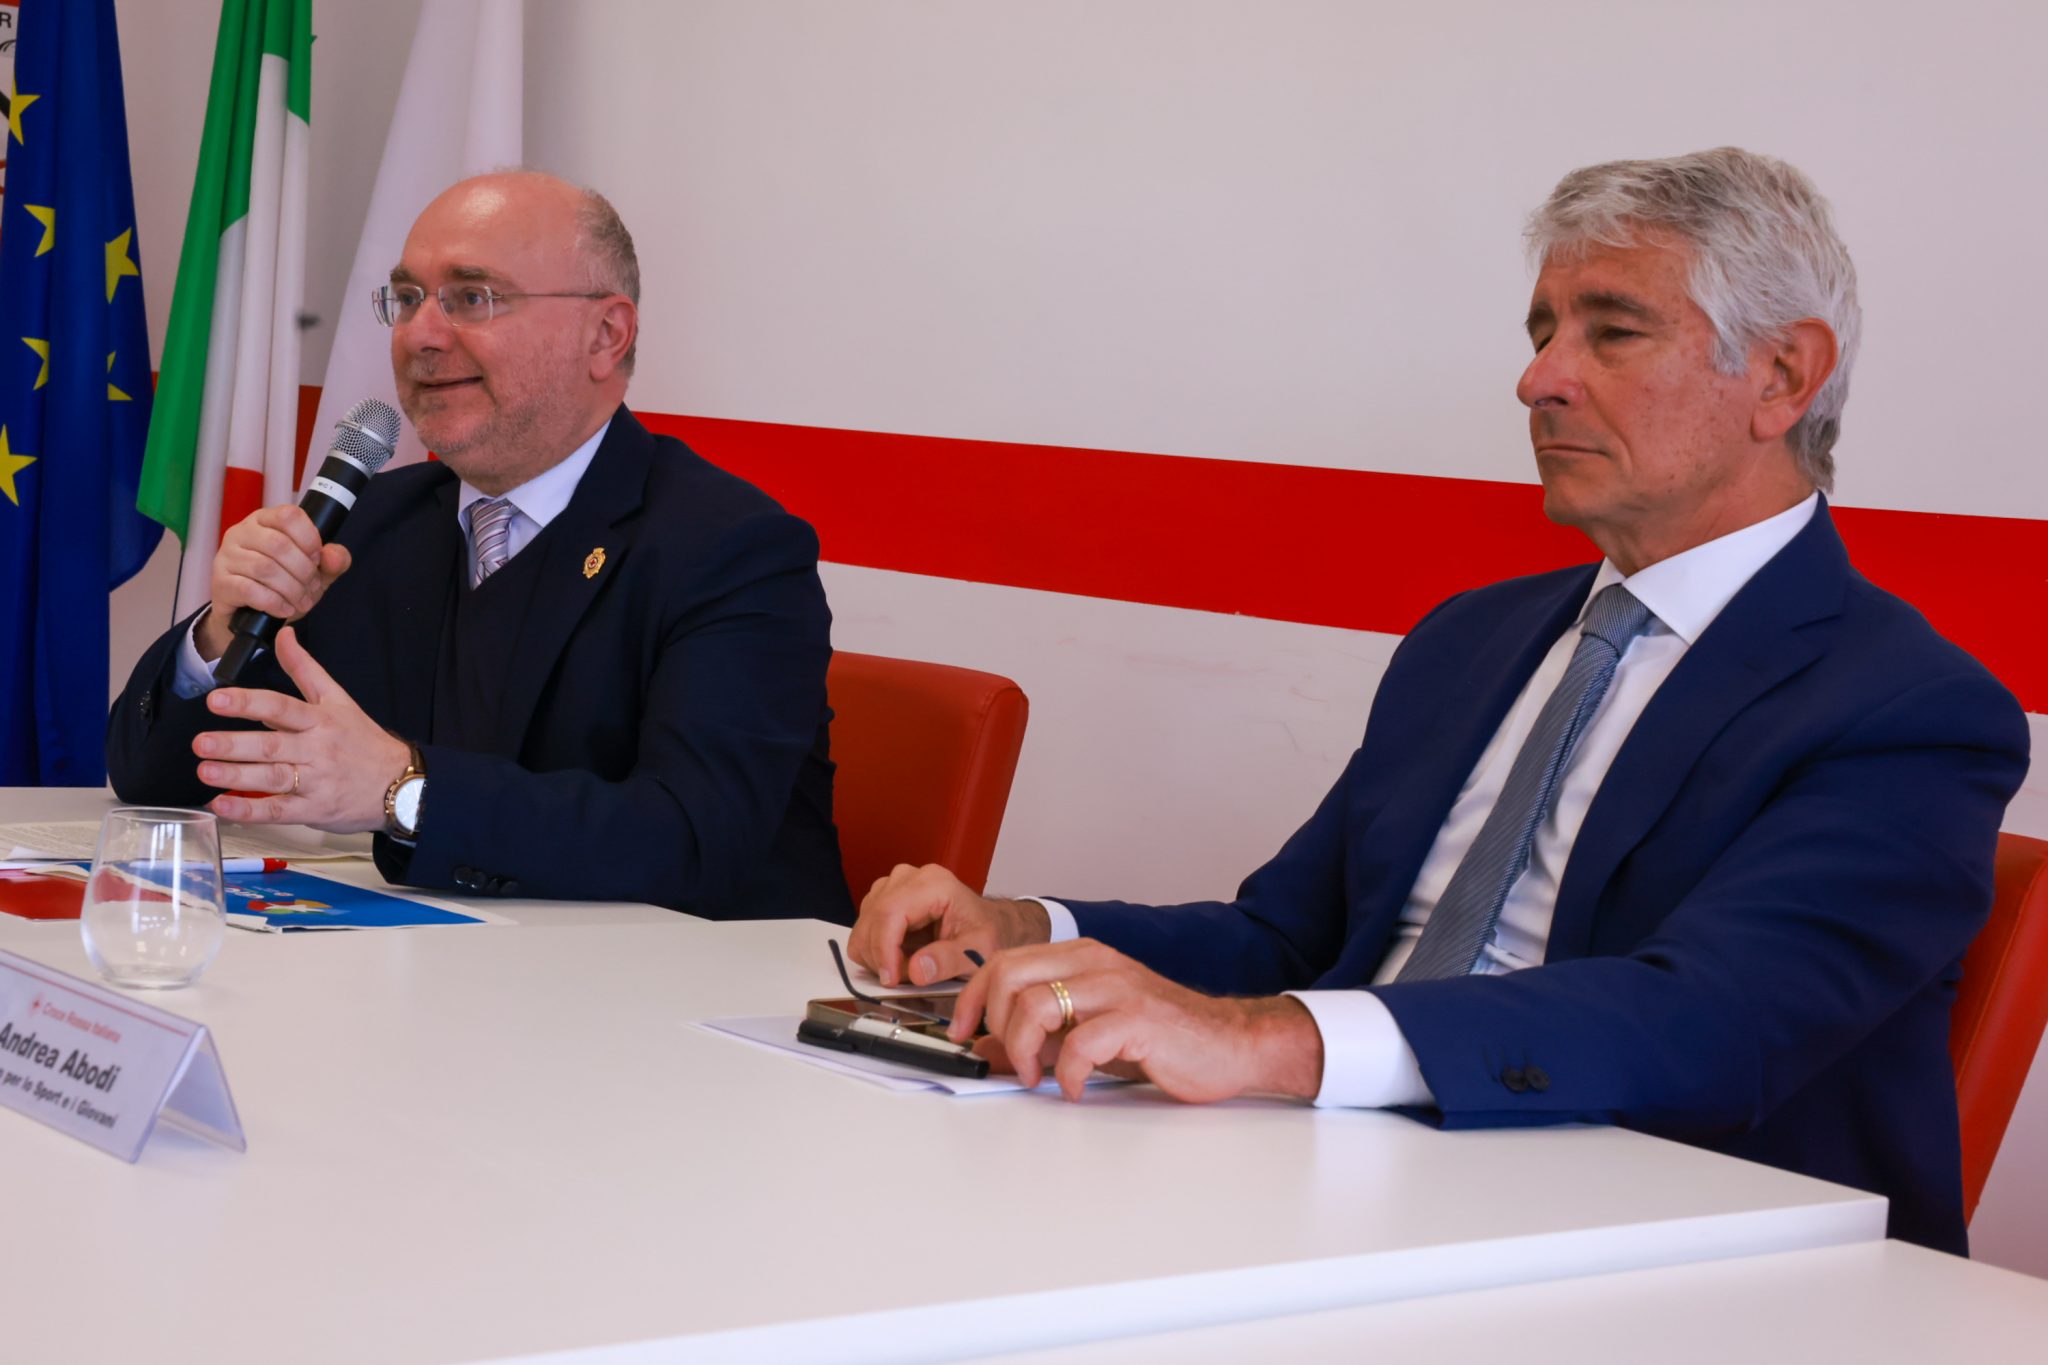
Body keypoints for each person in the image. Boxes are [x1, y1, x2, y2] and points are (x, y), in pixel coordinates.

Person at [848, 147, 2029, 1253]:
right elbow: (1287, 937)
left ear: (1780, 376)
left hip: (1667, 1246)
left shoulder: (1909, 711)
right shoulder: (1472, 638)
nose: (1538, 379)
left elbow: (1707, 1023)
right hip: (1336, 1182)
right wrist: (1032, 932)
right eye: (1541, 332)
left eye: (1611, 332)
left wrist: (1262, 1041)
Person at [107, 171, 853, 923]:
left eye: (473, 297)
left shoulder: (731, 548)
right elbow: (156, 785)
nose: (421, 335)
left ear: (606, 335)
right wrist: (222, 634)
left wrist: (403, 791)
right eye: (407, 299)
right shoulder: (371, 523)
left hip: (680, 981)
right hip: (441, 964)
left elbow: (692, 840)